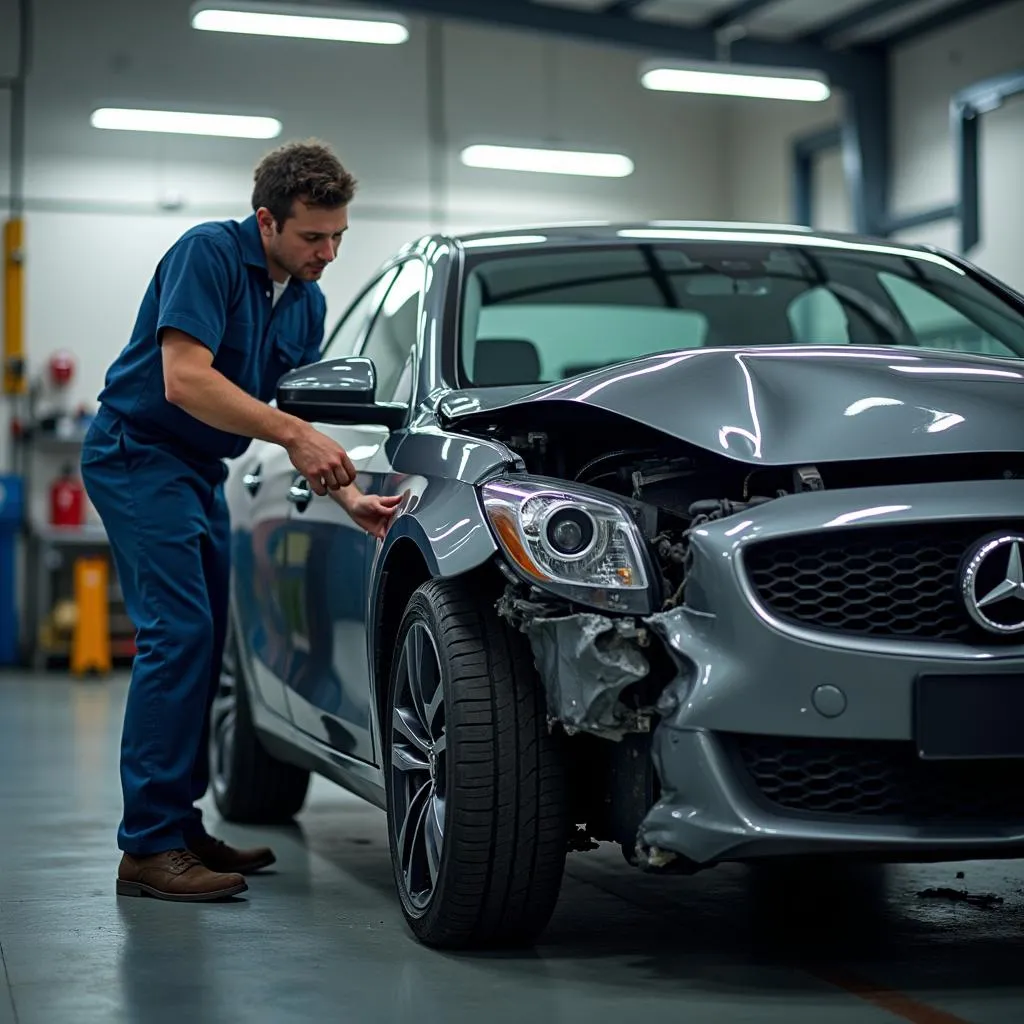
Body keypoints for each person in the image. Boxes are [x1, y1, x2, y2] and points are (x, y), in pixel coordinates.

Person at [80, 139, 401, 903]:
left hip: (196, 471)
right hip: (137, 453)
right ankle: (149, 847)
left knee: (207, 637)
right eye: (312, 237)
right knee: (178, 634)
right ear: (267, 221)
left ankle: (181, 827)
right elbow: (185, 379)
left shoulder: (308, 302)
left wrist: (349, 496)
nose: (327, 253)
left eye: (338, 238)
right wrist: (294, 435)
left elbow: (292, 415)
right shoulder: (209, 255)